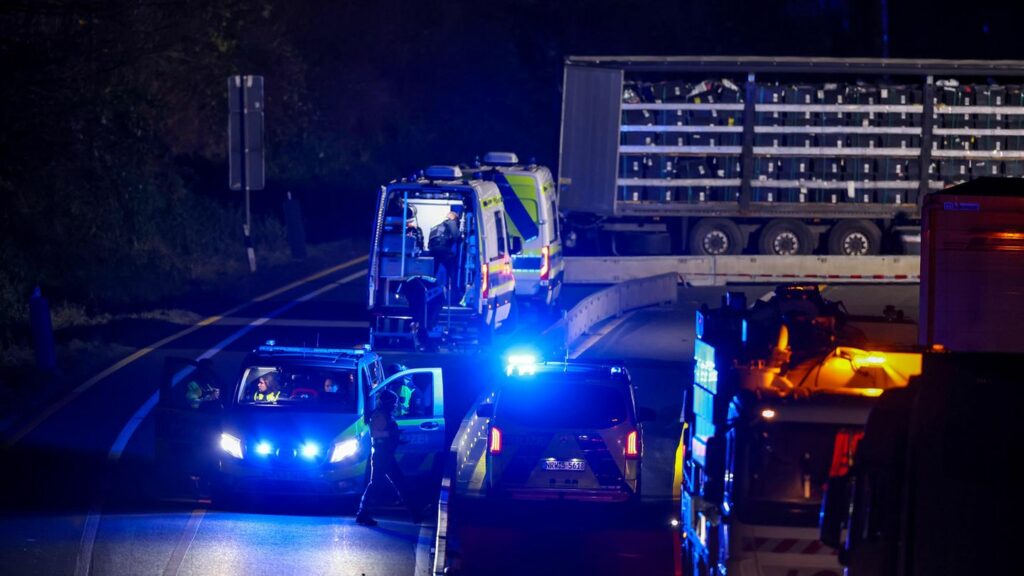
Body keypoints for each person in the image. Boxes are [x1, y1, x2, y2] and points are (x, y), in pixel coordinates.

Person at [355, 390, 420, 526]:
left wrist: (396, 437)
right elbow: (375, 433)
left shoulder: (384, 414)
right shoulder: (379, 415)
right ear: (386, 402)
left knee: (380, 483)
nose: (395, 405)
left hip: (384, 453)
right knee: (396, 482)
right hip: (382, 454)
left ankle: (363, 512)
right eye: (393, 402)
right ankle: (415, 512)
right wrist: (391, 433)